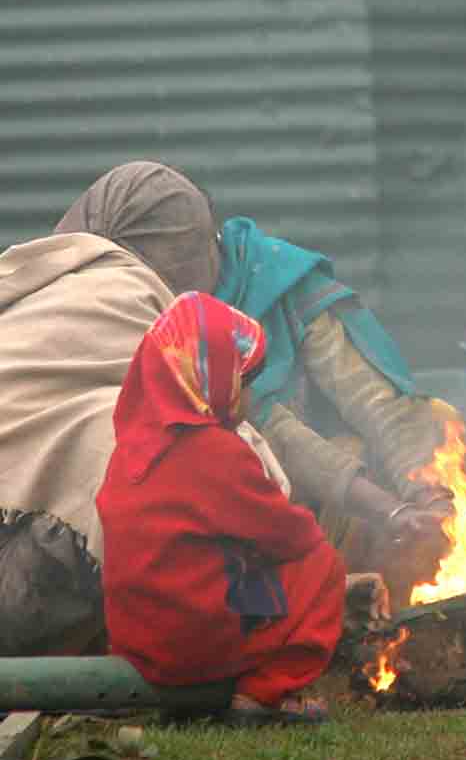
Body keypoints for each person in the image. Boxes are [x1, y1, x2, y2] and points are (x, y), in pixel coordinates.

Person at [0, 161, 384, 656]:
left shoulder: (26, 292)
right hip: (35, 579)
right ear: (184, 252)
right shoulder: (149, 320)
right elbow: (258, 498)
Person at [97, 291, 344, 724]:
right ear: (207, 378)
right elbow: (290, 535)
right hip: (192, 650)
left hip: (138, 649)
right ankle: (261, 695)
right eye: (244, 381)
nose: (248, 398)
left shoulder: (129, 447)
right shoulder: (214, 451)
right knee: (321, 564)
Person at [213, 215, 466, 604]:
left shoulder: (273, 278)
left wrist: (433, 501)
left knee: (437, 421)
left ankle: (407, 608)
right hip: (253, 529)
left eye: (190, 251)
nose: (180, 268)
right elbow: (271, 432)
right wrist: (389, 509)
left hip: (337, 488)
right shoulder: (158, 321)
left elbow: (376, 401)